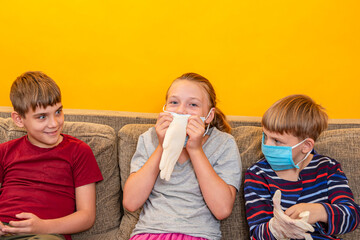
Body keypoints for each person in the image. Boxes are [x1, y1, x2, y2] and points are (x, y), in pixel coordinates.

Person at [123, 72, 242, 240]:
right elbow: (130, 202)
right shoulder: (149, 138)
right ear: (165, 107)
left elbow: (222, 210)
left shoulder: (223, 143)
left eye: (193, 104)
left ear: (209, 115)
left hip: (199, 234)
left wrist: (196, 150)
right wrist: (162, 146)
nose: (180, 110)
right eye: (174, 102)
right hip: (149, 233)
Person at [0, 71, 103, 240]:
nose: (54, 123)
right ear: (19, 120)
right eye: (42, 117)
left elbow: (87, 217)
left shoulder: (79, 151)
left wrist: (43, 226)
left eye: (58, 112)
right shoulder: (5, 151)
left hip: (45, 235)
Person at [244, 94, 360, 239]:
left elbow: (352, 216)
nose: (267, 145)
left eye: (277, 140)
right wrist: (276, 228)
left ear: (306, 146)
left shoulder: (328, 168)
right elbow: (257, 234)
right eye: (265, 136)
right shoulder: (257, 174)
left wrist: (319, 211)